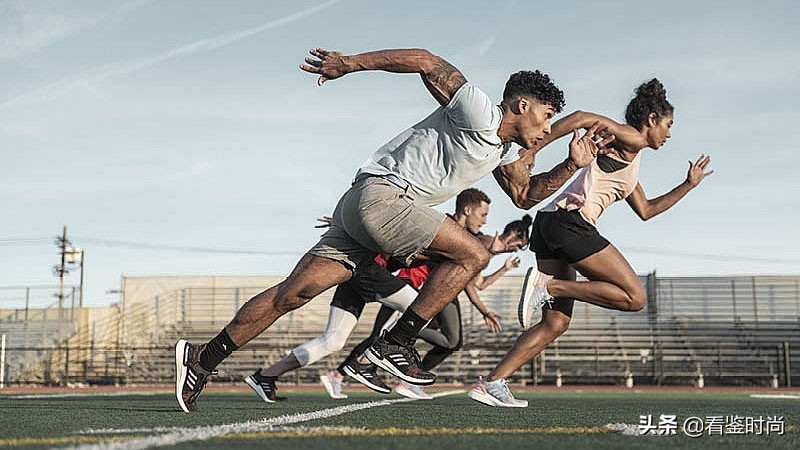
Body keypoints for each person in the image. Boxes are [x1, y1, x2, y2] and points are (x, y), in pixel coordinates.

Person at [175, 46, 608, 413]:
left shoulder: (504, 151)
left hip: (361, 208)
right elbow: (423, 60)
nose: (549, 128)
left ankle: (202, 359)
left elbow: (524, 196)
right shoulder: (477, 107)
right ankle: (395, 343)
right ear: (521, 105)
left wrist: (573, 164)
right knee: (473, 254)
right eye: (548, 116)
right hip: (383, 196)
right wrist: (348, 64)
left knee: (294, 293)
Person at [468, 79, 714, 407]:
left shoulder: (630, 160)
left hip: (549, 224)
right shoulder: (633, 137)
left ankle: (492, 382)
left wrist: (688, 185)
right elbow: (583, 116)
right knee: (635, 297)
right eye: (668, 125)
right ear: (652, 120)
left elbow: (647, 210)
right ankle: (551, 287)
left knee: (556, 322)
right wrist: (533, 148)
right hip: (571, 223)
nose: (669, 134)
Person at [243, 188, 517, 402]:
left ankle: (266, 376)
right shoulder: (440, 224)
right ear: (467, 210)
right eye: (482, 215)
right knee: (414, 307)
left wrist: (494, 253)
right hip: (369, 269)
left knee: (333, 341)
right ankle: (366, 362)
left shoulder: (460, 236)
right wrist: (347, 227)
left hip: (357, 271)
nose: (484, 221)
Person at [341, 214, 531, 400]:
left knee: (448, 342)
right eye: (518, 246)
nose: (515, 250)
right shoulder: (484, 241)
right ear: (514, 233)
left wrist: (504, 269)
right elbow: (468, 283)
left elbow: (479, 284)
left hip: (446, 290)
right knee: (452, 341)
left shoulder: (490, 249)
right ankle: (399, 342)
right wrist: (485, 311)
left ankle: (405, 369)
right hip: (442, 289)